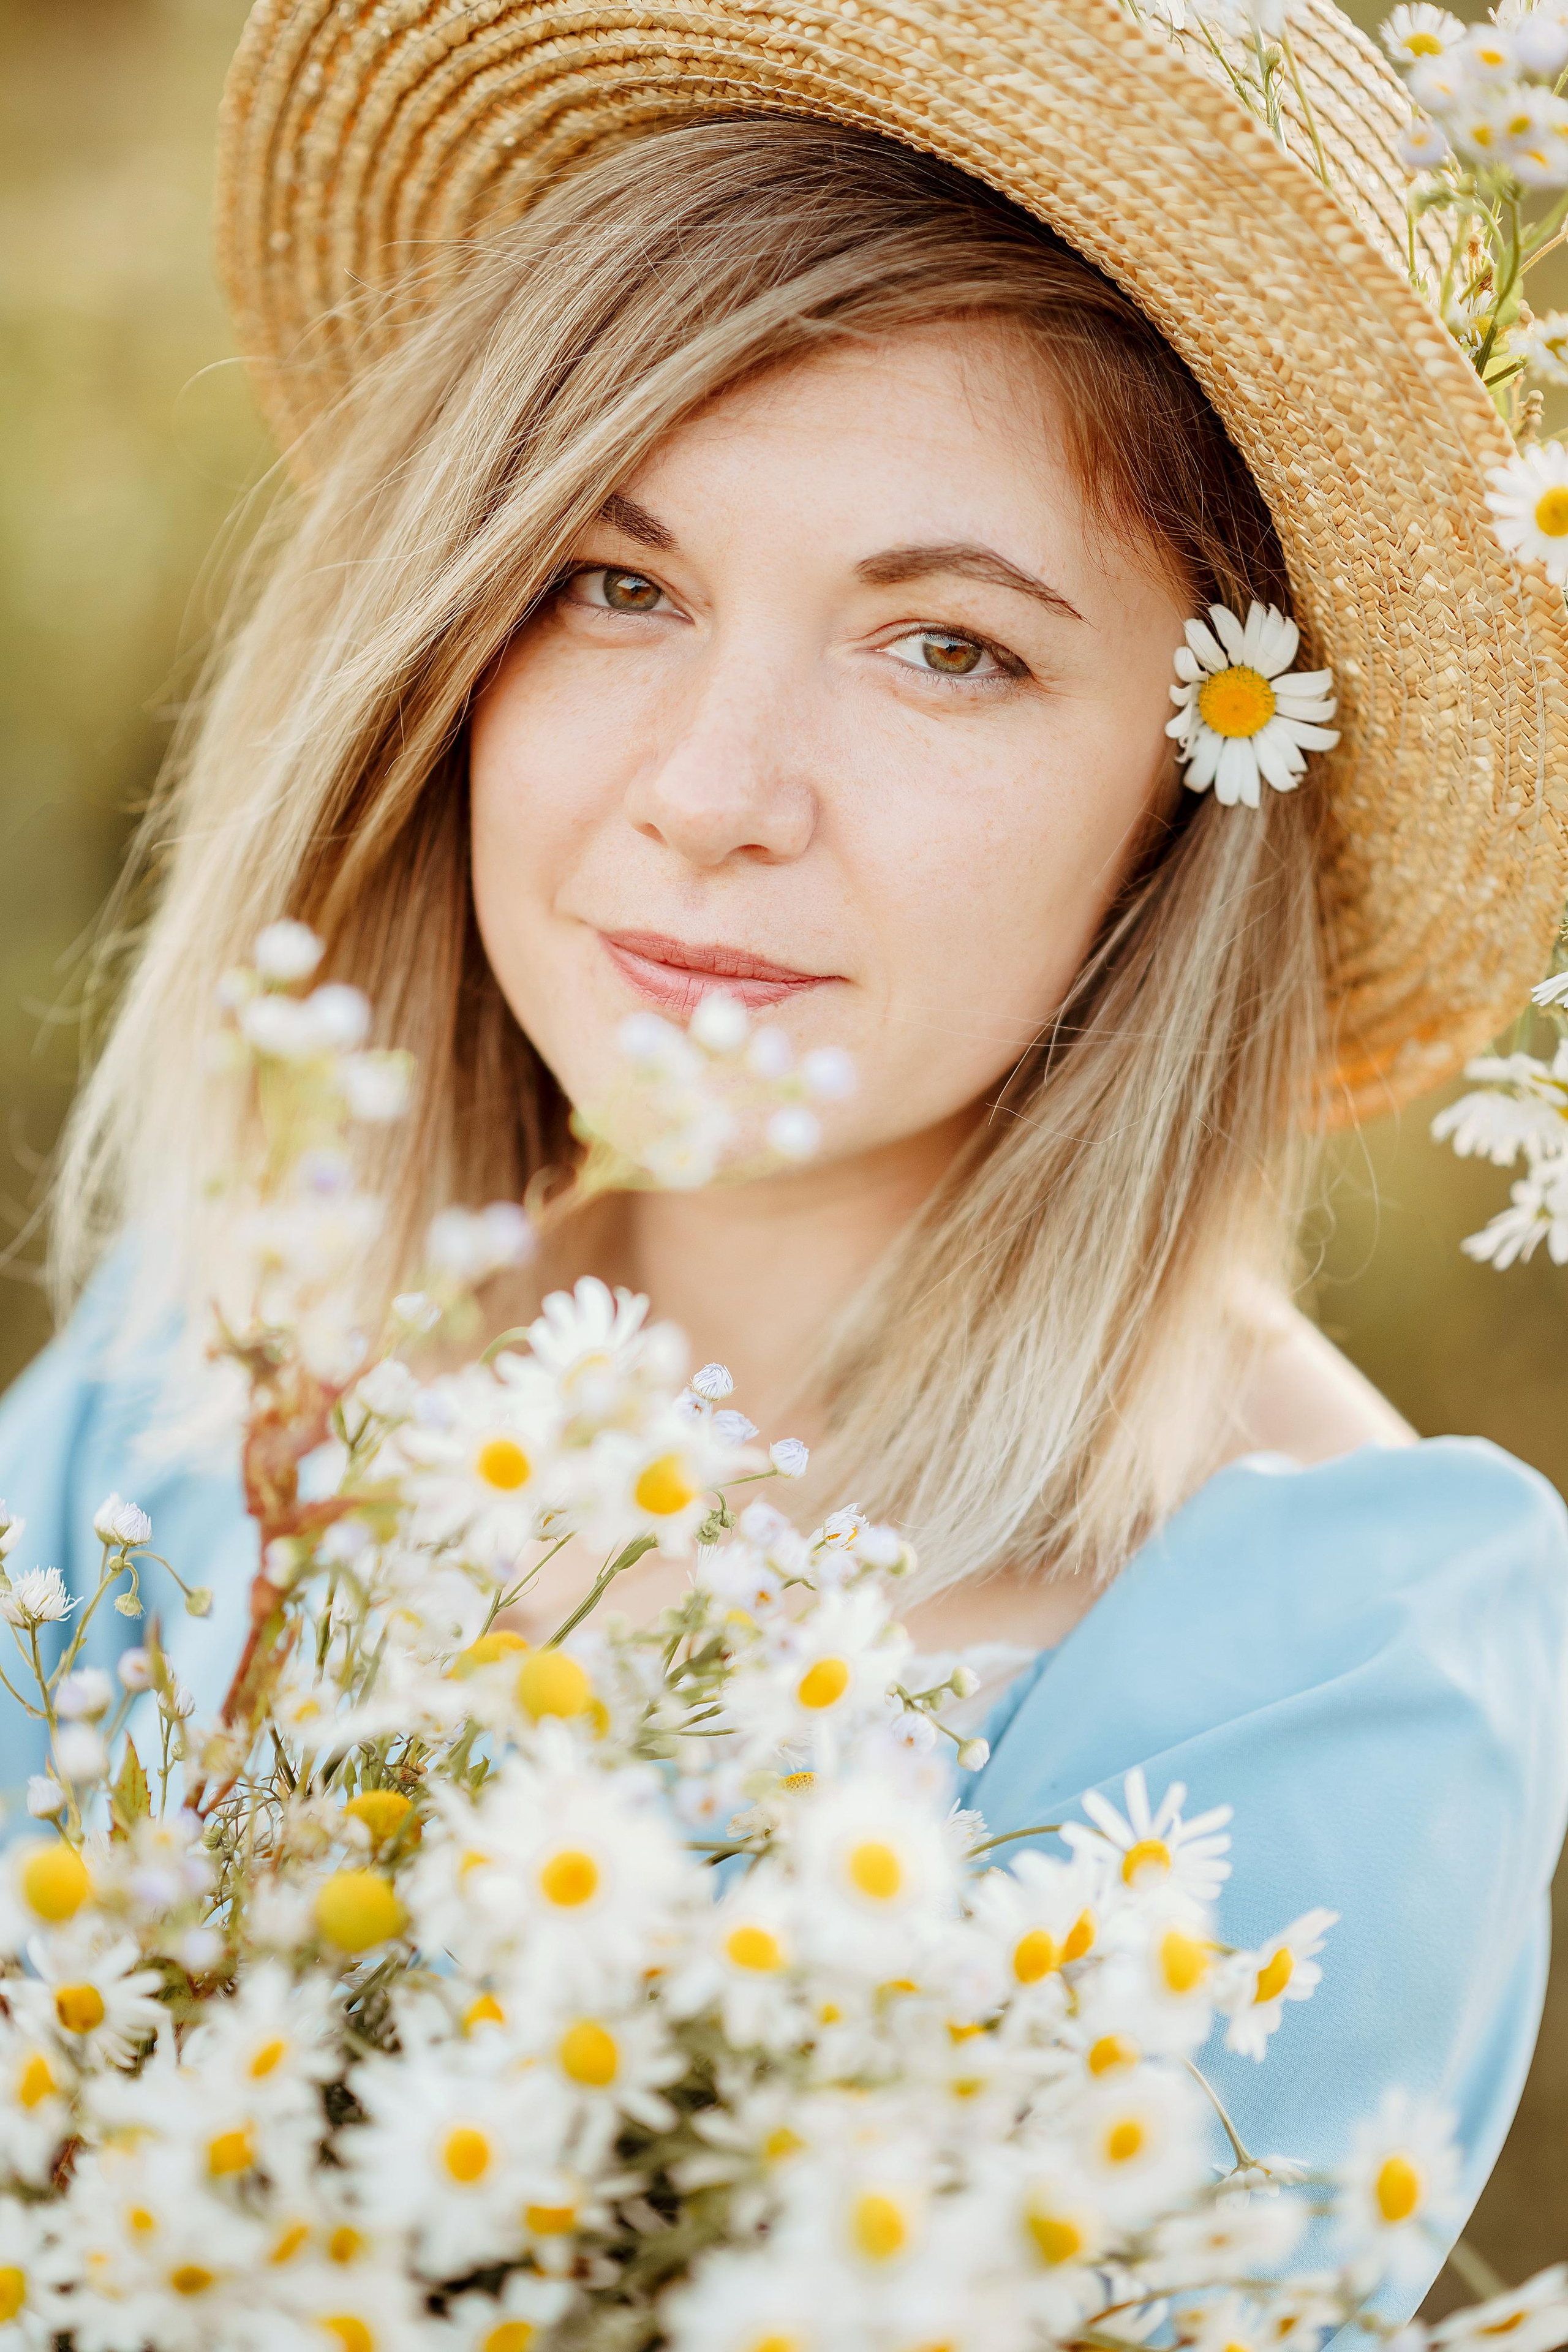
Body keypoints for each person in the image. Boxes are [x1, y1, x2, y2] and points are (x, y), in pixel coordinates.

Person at [2, 0, 1567, 2301]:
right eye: (615, 587)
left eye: (947, 648)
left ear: (1196, 784)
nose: (716, 791)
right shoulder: (204, 1393)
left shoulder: (1314, 1674)